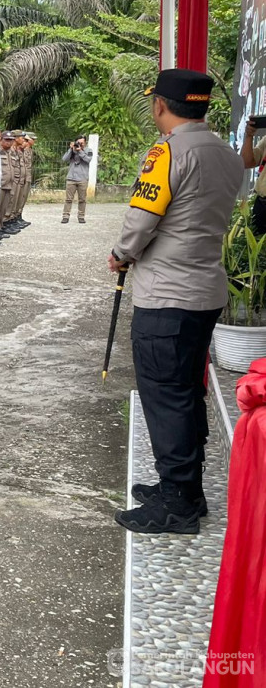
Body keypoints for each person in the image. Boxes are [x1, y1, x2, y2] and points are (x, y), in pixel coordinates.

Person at [109, 69, 241, 535]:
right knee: (186, 391)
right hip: (203, 291)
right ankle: (186, 489)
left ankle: (177, 503)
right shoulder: (226, 152)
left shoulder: (167, 152)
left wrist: (120, 254)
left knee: (165, 396)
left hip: (165, 295)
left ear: (161, 106)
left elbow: (142, 219)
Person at [62, 135, 92, 224]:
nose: (80, 144)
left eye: (82, 143)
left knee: (82, 199)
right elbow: (64, 159)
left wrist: (80, 151)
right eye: (79, 143)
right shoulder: (72, 150)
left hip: (82, 178)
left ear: (85, 142)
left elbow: (88, 159)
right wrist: (71, 150)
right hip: (71, 178)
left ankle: (81, 216)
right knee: (68, 199)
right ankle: (65, 216)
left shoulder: (89, 150)